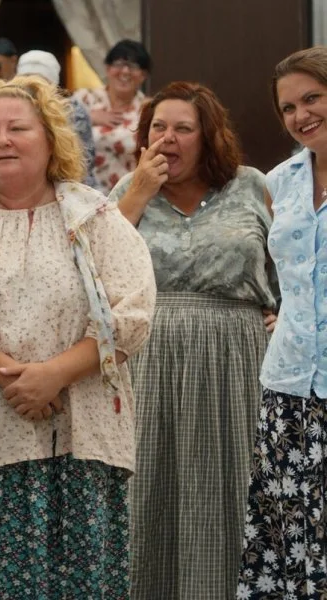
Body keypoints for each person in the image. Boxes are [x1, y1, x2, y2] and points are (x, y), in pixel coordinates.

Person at [0, 75, 156, 598]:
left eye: (17, 128)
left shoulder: (95, 217)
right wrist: (15, 378)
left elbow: (131, 312)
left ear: (51, 140)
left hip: (74, 447)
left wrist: (55, 375)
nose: (2, 140)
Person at [109, 81, 277, 599]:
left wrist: (286, 312)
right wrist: (138, 193)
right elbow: (94, 269)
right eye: (159, 127)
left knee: (232, 488)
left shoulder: (252, 186)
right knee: (148, 491)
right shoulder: (126, 192)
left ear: (209, 137)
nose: (169, 138)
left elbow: (295, 259)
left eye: (184, 128)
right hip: (150, 362)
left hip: (236, 361)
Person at [237, 46, 327, 599]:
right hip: (289, 387)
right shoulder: (280, 181)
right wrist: (284, 311)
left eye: (312, 98)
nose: (300, 115)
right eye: (288, 107)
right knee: (292, 537)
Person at [73, 39, 151, 193]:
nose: (125, 71)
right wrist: (88, 118)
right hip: (84, 194)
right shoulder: (84, 99)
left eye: (133, 66)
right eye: (119, 64)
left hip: (130, 194)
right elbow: (58, 134)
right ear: (108, 69)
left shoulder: (149, 109)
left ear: (143, 75)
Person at [16, 49, 97, 187]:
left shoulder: (73, 110)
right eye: (26, 80)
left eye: (39, 82)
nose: (32, 89)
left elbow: (83, 161)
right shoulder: (9, 107)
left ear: (53, 84)